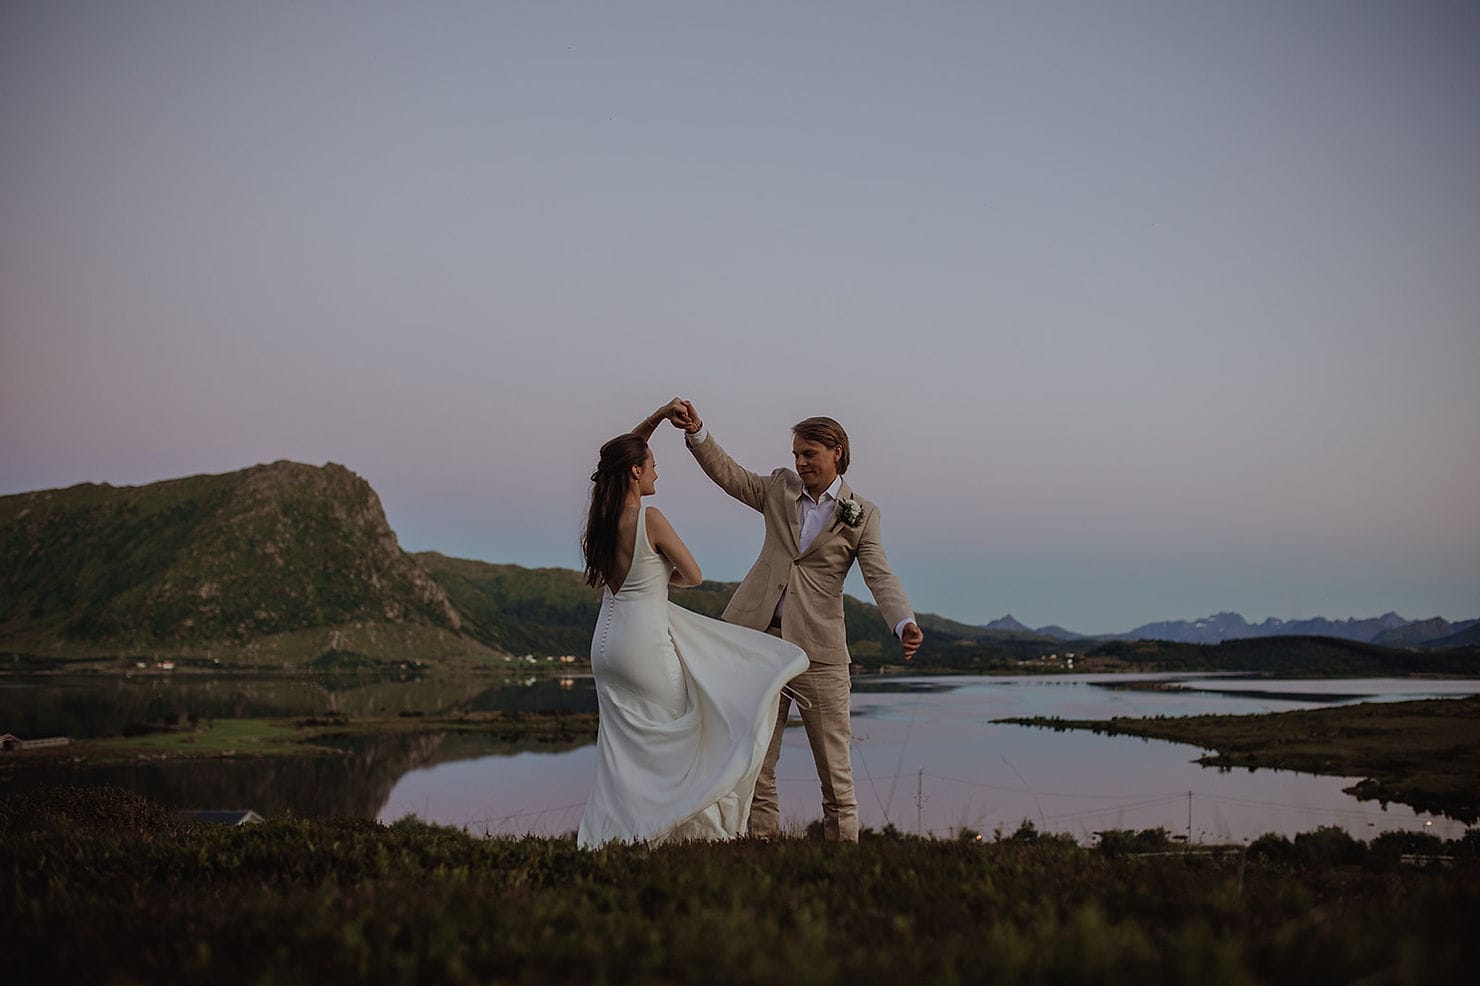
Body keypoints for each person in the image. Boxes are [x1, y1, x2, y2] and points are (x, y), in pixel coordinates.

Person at [674, 399, 922, 843]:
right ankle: (761, 849)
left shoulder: (862, 514)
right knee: (757, 762)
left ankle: (842, 858)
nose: (800, 462)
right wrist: (697, 432)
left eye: (809, 454)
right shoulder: (779, 489)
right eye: (796, 455)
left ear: (837, 453)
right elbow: (730, 475)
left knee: (835, 770)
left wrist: (902, 621)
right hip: (758, 646)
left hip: (820, 654)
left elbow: (879, 574)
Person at [576, 402, 808, 848]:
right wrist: (663, 578)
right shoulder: (650, 519)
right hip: (644, 645)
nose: (657, 474)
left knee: (623, 754)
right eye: (652, 467)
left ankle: (613, 838)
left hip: (605, 648)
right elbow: (694, 575)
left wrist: (660, 417)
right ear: (634, 474)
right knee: (681, 742)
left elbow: (618, 454)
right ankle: (672, 837)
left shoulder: (599, 522)